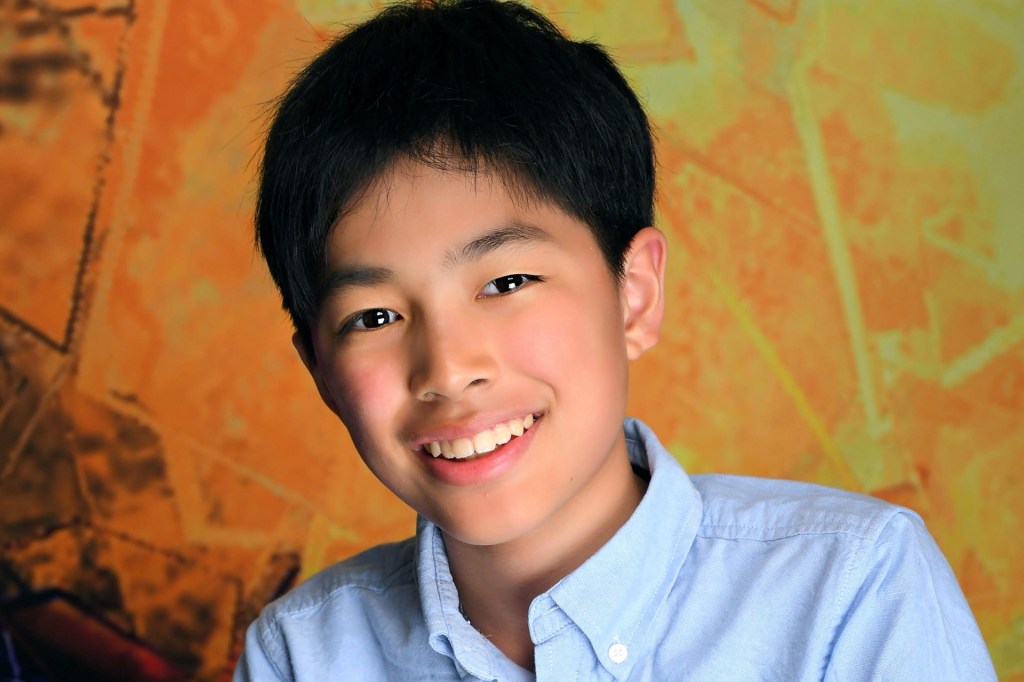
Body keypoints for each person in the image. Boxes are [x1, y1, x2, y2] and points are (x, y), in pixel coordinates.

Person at [234, 1, 996, 679]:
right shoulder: (303, 655)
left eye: (506, 284)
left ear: (634, 293)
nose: (449, 368)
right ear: (320, 370)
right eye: (374, 318)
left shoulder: (851, 590)